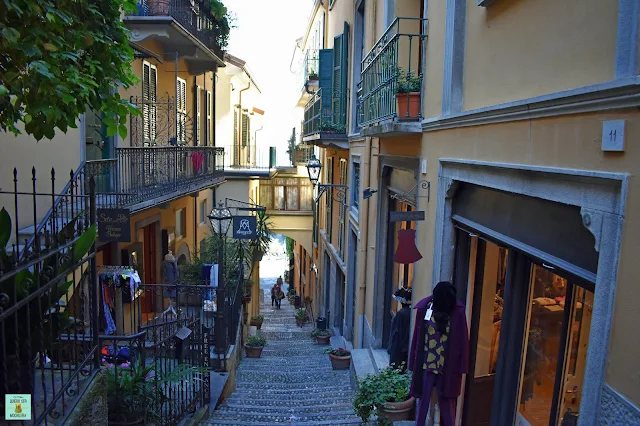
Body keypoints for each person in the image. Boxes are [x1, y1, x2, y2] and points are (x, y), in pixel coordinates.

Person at [409, 281, 469, 426]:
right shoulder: (425, 309)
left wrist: (462, 366)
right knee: (423, 402)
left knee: (447, 404)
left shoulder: (458, 312)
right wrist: (413, 361)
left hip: (447, 367)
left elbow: (463, 340)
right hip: (427, 365)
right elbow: (417, 337)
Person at [388, 287, 412, 372]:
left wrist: (391, 349)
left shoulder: (401, 314)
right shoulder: (408, 313)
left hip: (400, 348)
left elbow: (396, 334)